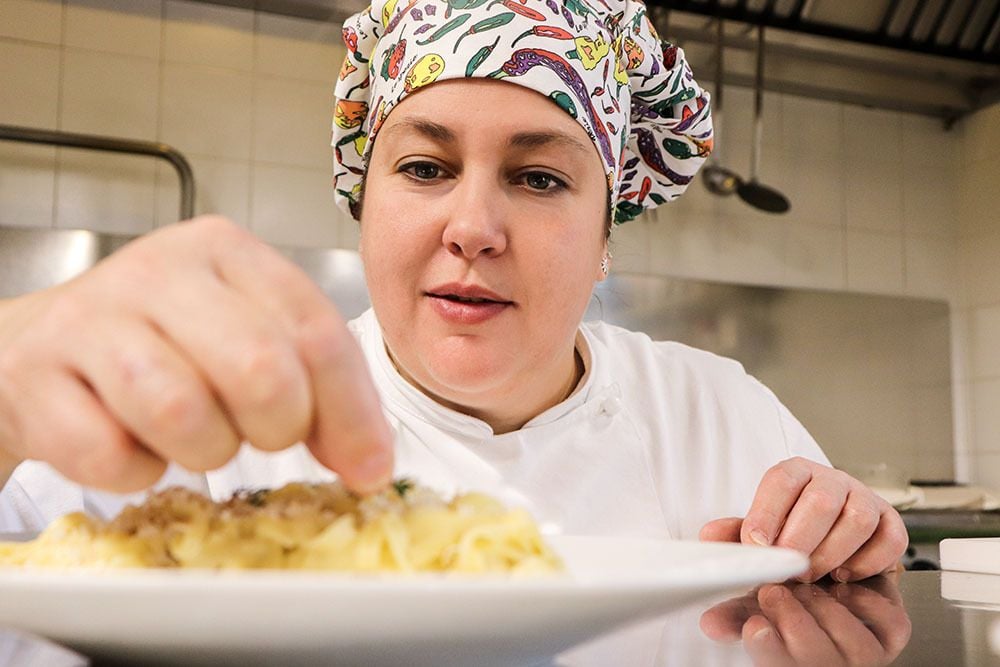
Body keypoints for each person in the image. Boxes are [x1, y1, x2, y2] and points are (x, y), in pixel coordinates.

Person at [0, 0, 905, 583]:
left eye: (540, 179)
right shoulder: (208, 424)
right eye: (427, 166)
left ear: (605, 240)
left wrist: (852, 543)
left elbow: (844, 584)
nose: (472, 226)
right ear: (364, 206)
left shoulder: (725, 416)